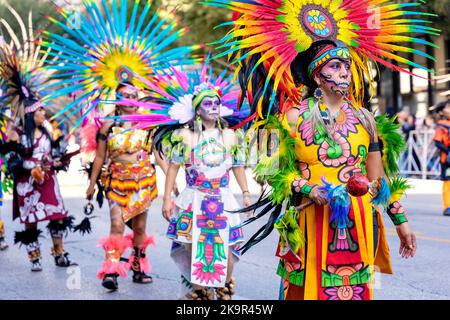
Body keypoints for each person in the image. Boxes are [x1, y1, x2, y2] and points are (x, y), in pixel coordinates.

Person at [203, 0, 440, 300]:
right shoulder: (289, 119)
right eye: (335, 66)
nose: (344, 73)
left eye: (348, 66)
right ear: (317, 75)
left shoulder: (367, 120)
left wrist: (401, 222)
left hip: (356, 226)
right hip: (309, 222)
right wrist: (308, 188)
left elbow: (378, 181)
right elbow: (272, 175)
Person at [112, 62, 251, 300]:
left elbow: (237, 166)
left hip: (223, 200)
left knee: (227, 251)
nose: (214, 107)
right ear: (197, 109)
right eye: (207, 103)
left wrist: (246, 194)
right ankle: (198, 292)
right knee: (192, 249)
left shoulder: (230, 135)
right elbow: (174, 167)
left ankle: (224, 286)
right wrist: (167, 199)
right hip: (193, 199)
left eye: (216, 102)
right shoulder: (184, 135)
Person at [86, 85, 167, 290]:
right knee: (117, 226)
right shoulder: (108, 125)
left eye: (134, 96)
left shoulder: (146, 124)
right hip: (117, 182)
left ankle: (138, 268)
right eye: (126, 96)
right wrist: (91, 184)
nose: (130, 100)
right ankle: (111, 271)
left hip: (143, 182)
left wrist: (170, 179)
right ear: (118, 99)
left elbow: (157, 153)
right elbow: (99, 156)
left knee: (139, 228)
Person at [430, 100, 450, 216]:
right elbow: (437, 141)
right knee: (448, 182)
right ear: (441, 112)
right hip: (447, 159)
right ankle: (447, 206)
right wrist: (448, 151)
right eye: (448, 107)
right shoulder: (441, 125)